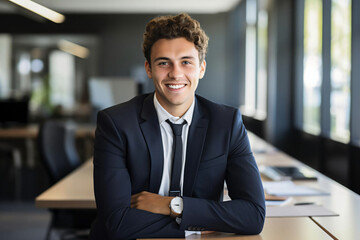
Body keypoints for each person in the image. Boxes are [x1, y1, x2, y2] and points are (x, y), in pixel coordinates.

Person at [90, 13, 265, 240]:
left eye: (186, 62)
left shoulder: (226, 123)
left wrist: (173, 205)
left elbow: (253, 215)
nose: (175, 73)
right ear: (149, 69)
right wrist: (197, 223)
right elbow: (117, 222)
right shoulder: (116, 123)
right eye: (164, 63)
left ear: (201, 69)